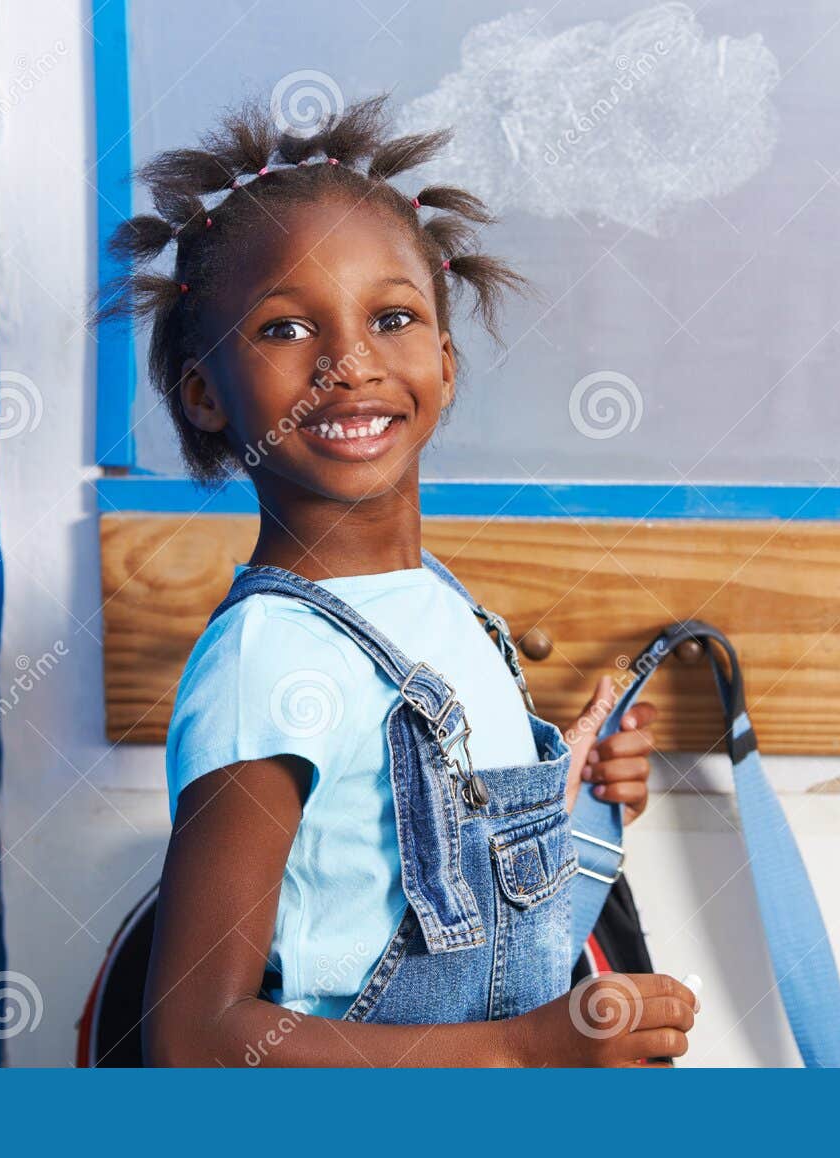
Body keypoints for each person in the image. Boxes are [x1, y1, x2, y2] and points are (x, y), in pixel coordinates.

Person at [93, 91, 697, 1066]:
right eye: (284, 330)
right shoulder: (266, 661)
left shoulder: (436, 603)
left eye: (391, 318)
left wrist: (572, 796)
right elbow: (195, 1041)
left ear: (445, 366)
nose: (349, 363)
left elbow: (424, 862)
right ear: (204, 393)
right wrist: (522, 1052)